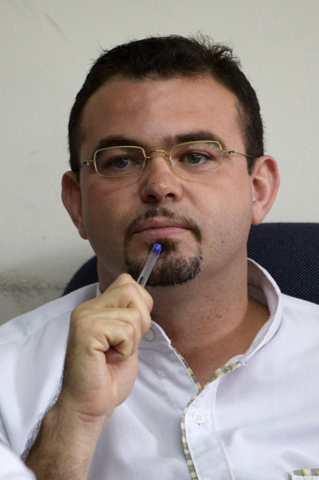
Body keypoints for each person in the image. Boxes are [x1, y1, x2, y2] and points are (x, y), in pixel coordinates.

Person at [1, 35, 319, 480]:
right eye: (120, 162)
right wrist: (71, 425)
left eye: (196, 155)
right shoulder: (7, 375)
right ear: (77, 205)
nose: (160, 185)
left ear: (259, 190)